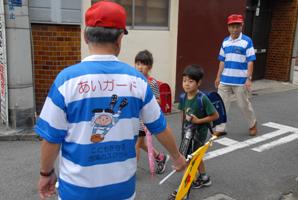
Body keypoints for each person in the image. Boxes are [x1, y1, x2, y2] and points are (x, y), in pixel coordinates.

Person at [35, 1, 186, 200]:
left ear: (85, 35)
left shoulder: (66, 80)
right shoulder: (137, 81)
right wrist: (176, 156)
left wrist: (46, 174)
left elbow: (51, 138)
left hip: (76, 191)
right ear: (120, 39)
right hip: (121, 190)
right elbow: (159, 127)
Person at [168, 64, 219, 200]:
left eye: (191, 81)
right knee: (194, 157)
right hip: (187, 132)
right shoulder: (183, 97)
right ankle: (204, 178)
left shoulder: (202, 98)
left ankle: (184, 189)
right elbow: (183, 113)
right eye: (184, 80)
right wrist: (183, 127)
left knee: (190, 159)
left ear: (198, 83)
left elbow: (215, 116)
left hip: (199, 134)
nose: (186, 84)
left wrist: (198, 121)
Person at [214, 14, 258, 137]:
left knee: (244, 104)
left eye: (237, 26)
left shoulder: (247, 41)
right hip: (225, 79)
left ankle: (252, 124)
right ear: (228, 27)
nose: (234, 29)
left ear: (241, 26)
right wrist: (218, 77)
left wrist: (249, 78)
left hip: (240, 81)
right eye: (232, 26)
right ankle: (220, 128)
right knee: (221, 105)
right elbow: (222, 61)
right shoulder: (225, 41)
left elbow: (250, 60)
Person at [134, 49, 169, 174]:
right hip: (134, 118)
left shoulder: (151, 82)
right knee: (141, 144)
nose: (140, 67)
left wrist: (146, 102)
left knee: (136, 144)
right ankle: (160, 157)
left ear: (149, 67)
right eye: (137, 64)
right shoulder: (134, 80)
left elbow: (158, 101)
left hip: (144, 120)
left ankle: (132, 172)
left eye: (143, 64)